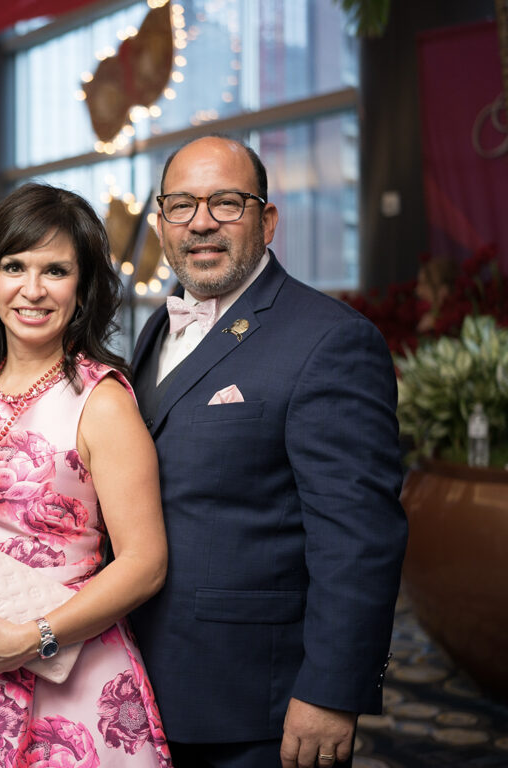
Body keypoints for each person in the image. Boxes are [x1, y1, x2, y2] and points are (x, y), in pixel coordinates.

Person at [129, 136, 407, 768]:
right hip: (142, 682)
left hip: (259, 701)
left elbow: (360, 537)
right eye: (180, 205)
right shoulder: (154, 327)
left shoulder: (331, 340)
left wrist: (333, 691)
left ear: (268, 221)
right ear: (161, 222)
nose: (200, 221)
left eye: (226, 202)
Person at [0, 182, 171, 767]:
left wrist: (34, 638)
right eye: (14, 266)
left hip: (63, 661)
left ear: (82, 289)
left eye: (55, 271)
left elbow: (145, 563)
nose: (32, 289)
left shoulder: (101, 401)